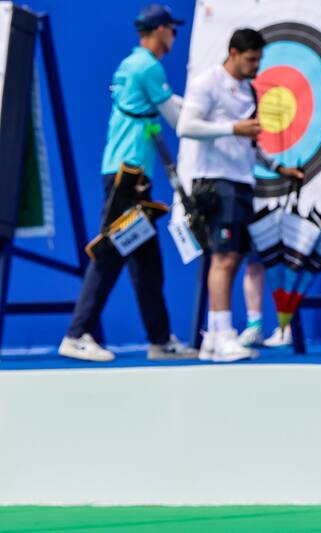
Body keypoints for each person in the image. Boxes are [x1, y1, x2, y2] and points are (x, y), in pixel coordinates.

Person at [58, 4, 196, 363]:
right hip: (127, 177)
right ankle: (77, 334)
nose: (174, 37)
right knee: (111, 254)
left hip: (131, 176)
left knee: (146, 262)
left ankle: (160, 340)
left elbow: (168, 105)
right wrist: (224, 125)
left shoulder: (132, 65)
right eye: (172, 30)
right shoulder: (148, 67)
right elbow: (177, 118)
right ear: (161, 30)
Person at [177, 28, 300, 361]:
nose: (255, 66)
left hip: (242, 184)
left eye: (259, 59)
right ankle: (221, 334)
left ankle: (215, 336)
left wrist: (277, 168)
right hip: (216, 182)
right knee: (223, 258)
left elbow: (249, 142)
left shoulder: (249, 90)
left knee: (233, 259)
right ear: (232, 53)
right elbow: (185, 127)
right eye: (250, 59)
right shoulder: (207, 83)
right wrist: (232, 127)